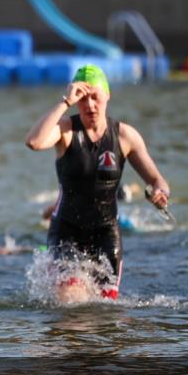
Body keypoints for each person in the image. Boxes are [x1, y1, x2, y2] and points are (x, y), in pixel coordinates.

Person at [25, 64, 170, 301]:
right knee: (71, 301)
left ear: (107, 95)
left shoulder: (125, 136)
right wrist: (64, 102)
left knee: (105, 311)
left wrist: (159, 193)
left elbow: (157, 180)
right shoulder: (66, 131)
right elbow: (33, 142)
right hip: (67, 230)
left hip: (106, 233)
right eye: (82, 99)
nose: (90, 105)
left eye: (95, 97)